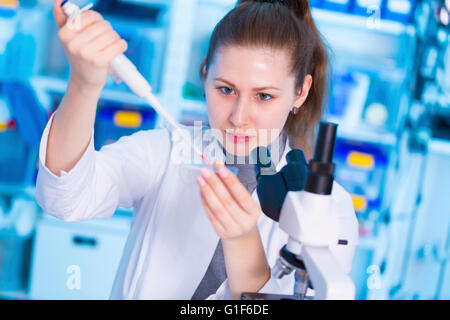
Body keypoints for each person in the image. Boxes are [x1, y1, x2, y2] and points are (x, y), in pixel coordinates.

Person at [36, 0, 359, 300]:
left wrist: (243, 240)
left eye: (264, 96)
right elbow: (65, 200)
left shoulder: (329, 207)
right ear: (204, 74)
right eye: (226, 89)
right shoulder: (164, 151)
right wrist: (84, 84)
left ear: (300, 92)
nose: (238, 117)